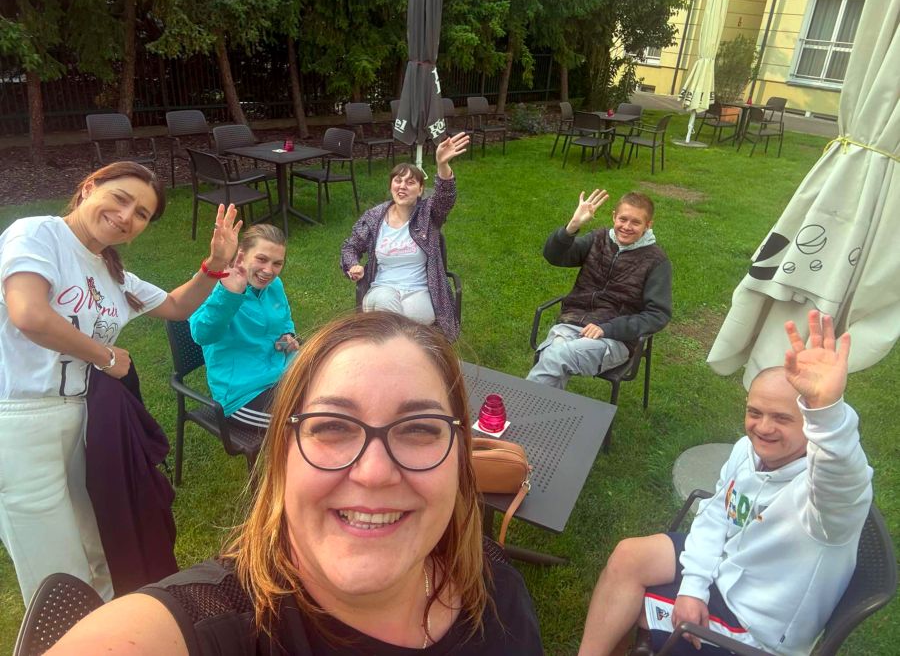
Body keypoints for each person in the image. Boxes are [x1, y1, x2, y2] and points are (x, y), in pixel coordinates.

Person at [49, 312, 545, 655]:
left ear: (459, 455)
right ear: (283, 456)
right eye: (332, 426)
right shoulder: (205, 629)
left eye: (418, 429)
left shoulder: (495, 584)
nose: (374, 473)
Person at [0, 161, 242, 604]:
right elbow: (29, 314)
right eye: (121, 198)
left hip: (83, 420)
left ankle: (111, 633)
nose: (126, 216)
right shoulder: (38, 234)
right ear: (90, 187)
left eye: (141, 214)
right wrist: (106, 356)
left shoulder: (113, 274)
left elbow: (176, 306)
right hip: (20, 421)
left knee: (103, 549)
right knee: (56, 575)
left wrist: (217, 264)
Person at [577, 311, 873, 656]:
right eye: (755, 412)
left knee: (628, 605)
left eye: (782, 418)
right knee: (629, 556)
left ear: (811, 425)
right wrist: (693, 587)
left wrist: (828, 412)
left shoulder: (826, 501)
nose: (763, 428)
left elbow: (842, 477)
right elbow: (718, 511)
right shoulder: (746, 450)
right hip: (730, 567)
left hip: (755, 627)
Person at [526, 189, 672, 389]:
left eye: (636, 222)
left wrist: (608, 328)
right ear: (614, 217)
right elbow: (554, 256)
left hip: (614, 338)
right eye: (623, 219)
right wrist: (572, 226)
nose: (626, 227)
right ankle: (541, 407)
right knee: (553, 355)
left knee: (556, 356)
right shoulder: (598, 239)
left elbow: (658, 315)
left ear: (648, 225)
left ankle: (518, 406)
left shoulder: (656, 261)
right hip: (572, 324)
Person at [341, 132, 470, 342]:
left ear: (420, 190)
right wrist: (353, 265)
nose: (402, 186)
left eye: (410, 182)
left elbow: (445, 198)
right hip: (382, 288)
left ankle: (391, 353)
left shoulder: (428, 215)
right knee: (387, 306)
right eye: (398, 180)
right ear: (391, 186)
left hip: (419, 292)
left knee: (405, 319)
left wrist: (442, 165)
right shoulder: (374, 217)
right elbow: (350, 246)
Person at [189, 224, 298, 433]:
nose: (269, 271)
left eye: (277, 263)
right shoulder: (211, 283)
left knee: (333, 396)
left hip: (281, 371)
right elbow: (202, 334)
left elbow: (285, 321)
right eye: (261, 259)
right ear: (242, 254)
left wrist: (287, 336)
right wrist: (229, 295)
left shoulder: (274, 285)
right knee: (308, 423)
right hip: (242, 393)